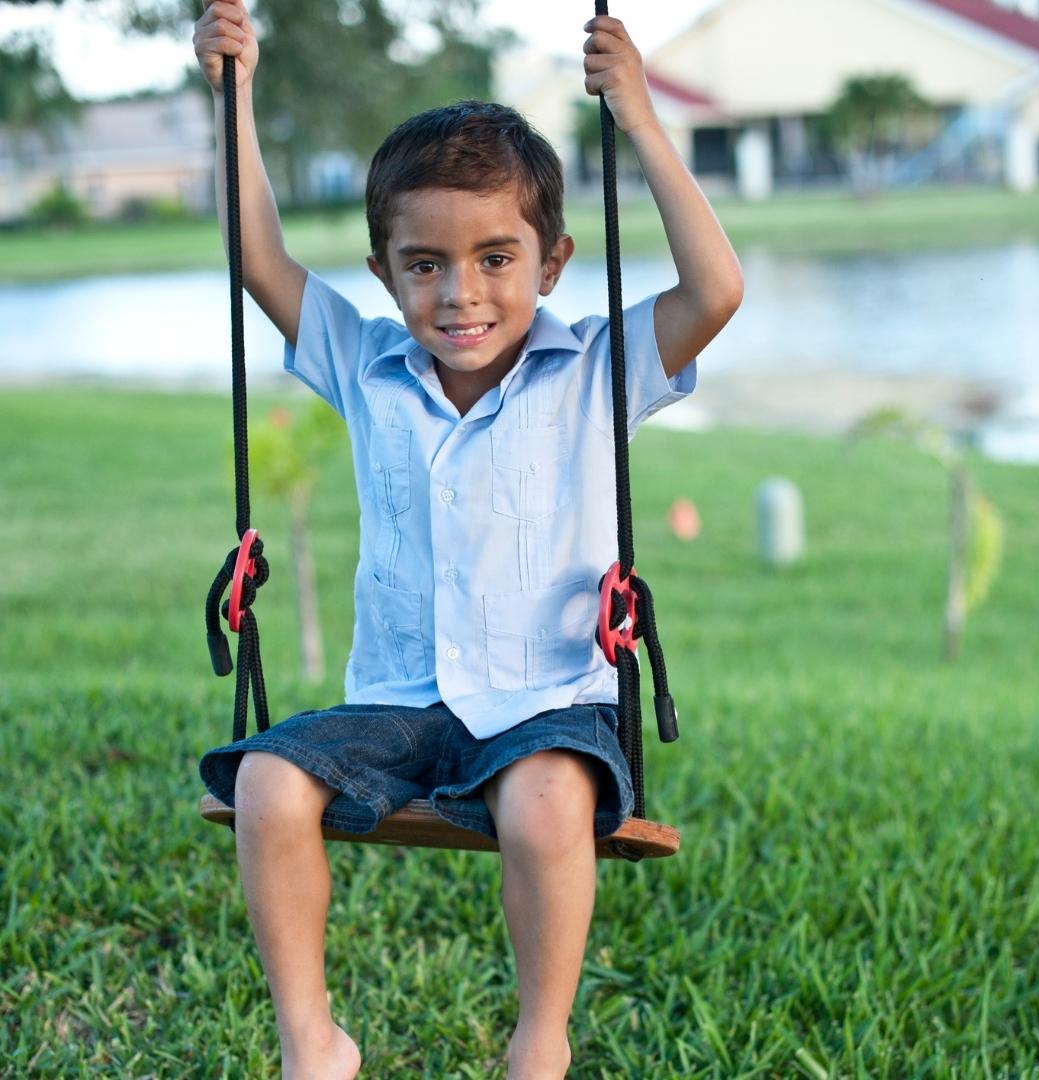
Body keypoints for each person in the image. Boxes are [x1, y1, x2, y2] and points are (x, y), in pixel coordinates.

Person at [193, 2, 743, 1077]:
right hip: (395, 704)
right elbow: (260, 261)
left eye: (496, 258)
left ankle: (539, 1043)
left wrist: (634, 114)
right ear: (386, 270)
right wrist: (237, 93)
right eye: (426, 264)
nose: (461, 293)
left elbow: (716, 289)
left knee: (545, 804)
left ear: (553, 261)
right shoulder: (365, 367)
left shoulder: (596, 369)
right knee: (264, 784)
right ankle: (313, 1042)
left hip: (545, 705)